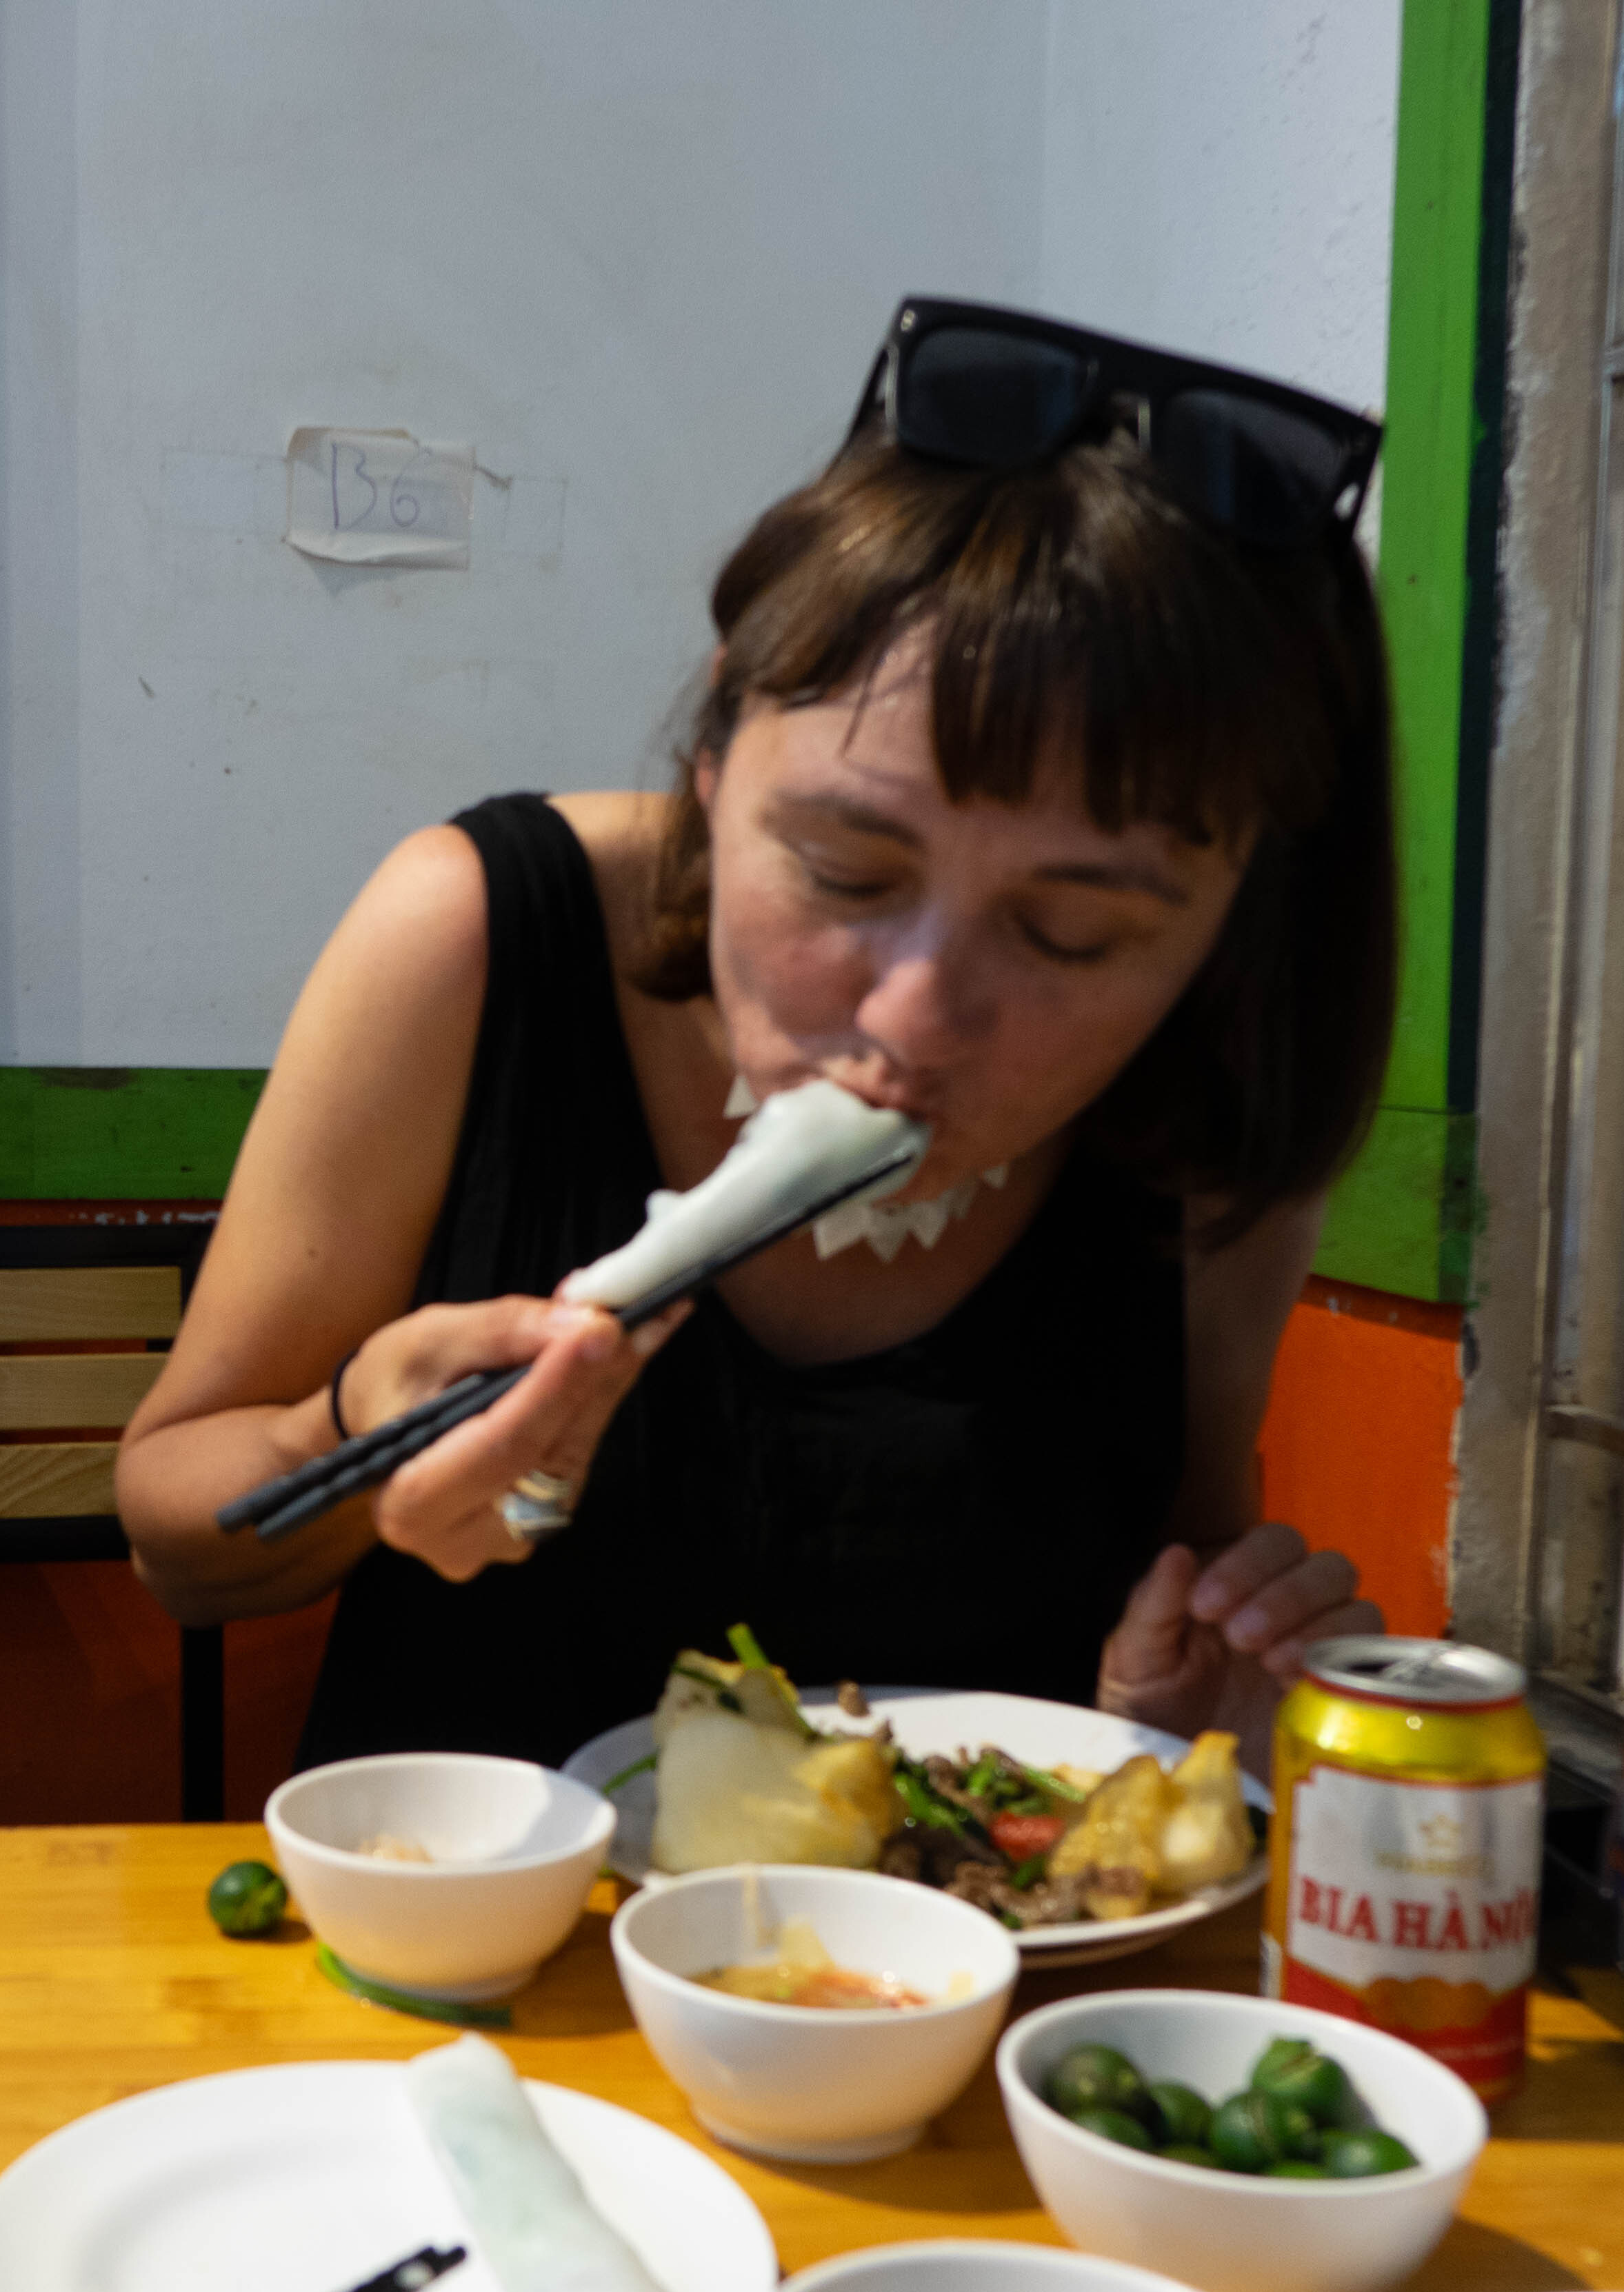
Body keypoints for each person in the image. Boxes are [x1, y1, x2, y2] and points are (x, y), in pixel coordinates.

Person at [118, 299, 1401, 1774]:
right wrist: (352, 1436)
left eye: (1073, 936)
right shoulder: (479, 937)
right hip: (472, 1963)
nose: (910, 1018)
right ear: (719, 752)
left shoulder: (1210, 1125)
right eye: (848, 874)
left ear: (1231, 934)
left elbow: (1172, 1610)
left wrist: (1191, 1728)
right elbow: (179, 1539)